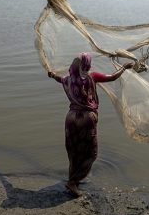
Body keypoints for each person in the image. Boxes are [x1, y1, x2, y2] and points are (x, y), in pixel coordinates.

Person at [48, 52, 133, 197]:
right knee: (90, 152)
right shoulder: (91, 77)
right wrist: (124, 67)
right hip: (86, 120)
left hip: (71, 118)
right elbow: (112, 77)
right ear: (87, 64)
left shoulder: (67, 79)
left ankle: (74, 179)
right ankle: (73, 182)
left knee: (74, 151)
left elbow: (57, 78)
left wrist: (51, 74)